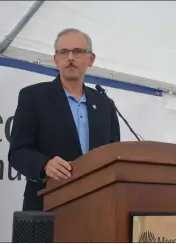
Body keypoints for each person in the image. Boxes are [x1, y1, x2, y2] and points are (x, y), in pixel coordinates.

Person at [8, 28, 120, 211]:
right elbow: (18, 152)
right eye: (63, 52)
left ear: (91, 59)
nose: (70, 57)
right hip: (47, 205)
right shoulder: (33, 97)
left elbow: (113, 153)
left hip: (97, 207)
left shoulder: (105, 104)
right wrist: (44, 165)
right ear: (56, 60)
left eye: (77, 51)